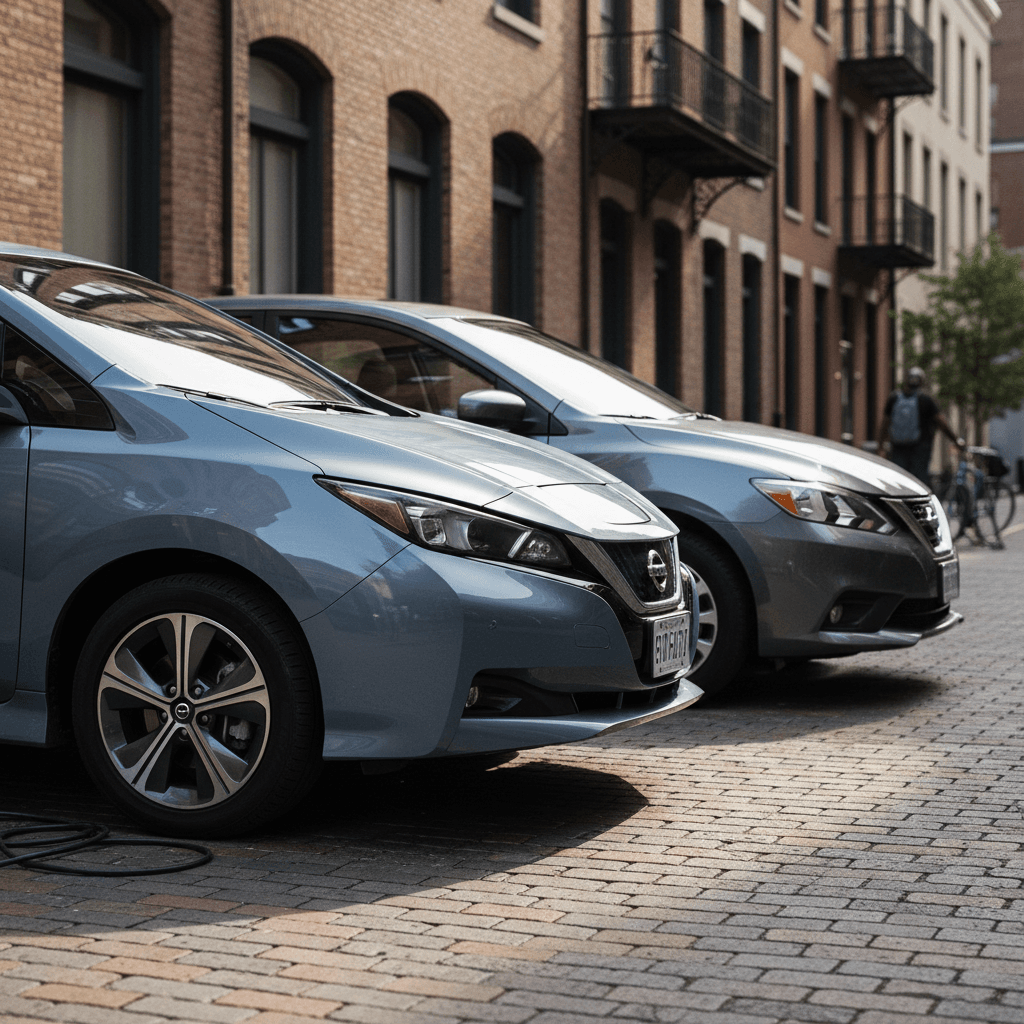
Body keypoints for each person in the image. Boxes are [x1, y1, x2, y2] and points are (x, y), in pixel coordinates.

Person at [878, 367, 965, 485]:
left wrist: (881, 445)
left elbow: (885, 424)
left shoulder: (894, 398)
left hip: (898, 446)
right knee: (919, 482)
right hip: (920, 448)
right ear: (922, 381)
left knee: (898, 480)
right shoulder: (926, 399)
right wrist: (956, 440)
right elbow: (942, 423)